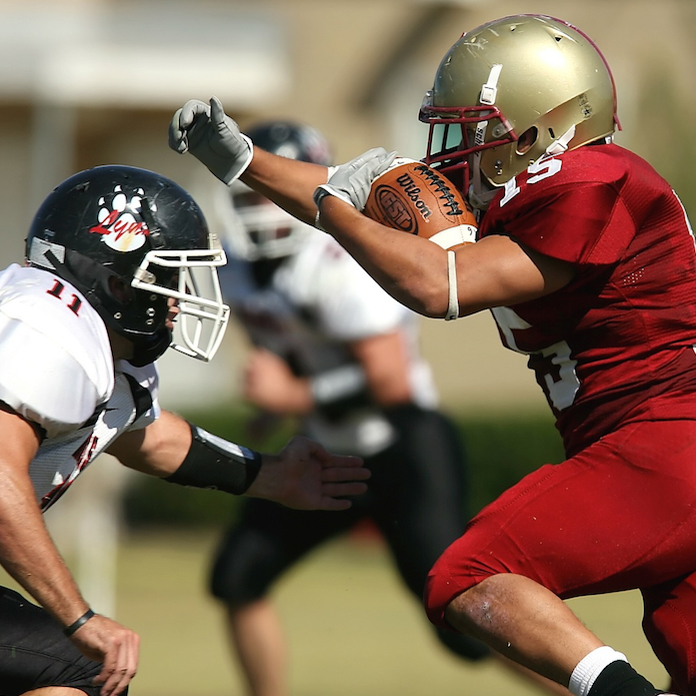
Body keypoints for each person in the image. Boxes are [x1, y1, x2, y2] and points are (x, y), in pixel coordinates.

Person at [168, 12, 696, 696]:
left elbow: (438, 283)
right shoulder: (524, 188)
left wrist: (337, 209)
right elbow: (345, 185)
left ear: (538, 125)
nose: (454, 150)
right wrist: (242, 162)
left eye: (475, 131)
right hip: (645, 443)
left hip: (662, 441)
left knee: (468, 575)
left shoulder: (594, 180)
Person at [0, 163, 371, 696]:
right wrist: (80, 618)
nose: (179, 298)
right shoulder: (48, 330)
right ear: (113, 280)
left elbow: (143, 436)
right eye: (168, 276)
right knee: (83, 666)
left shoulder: (83, 334)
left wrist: (270, 475)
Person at [206, 119, 496, 696]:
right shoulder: (240, 272)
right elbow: (290, 354)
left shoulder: (341, 259)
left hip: (402, 447)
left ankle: (592, 686)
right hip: (330, 450)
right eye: (251, 195)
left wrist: (290, 396)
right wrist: (278, 405)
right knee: (238, 576)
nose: (263, 210)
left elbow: (388, 384)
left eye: (271, 192)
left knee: (463, 619)